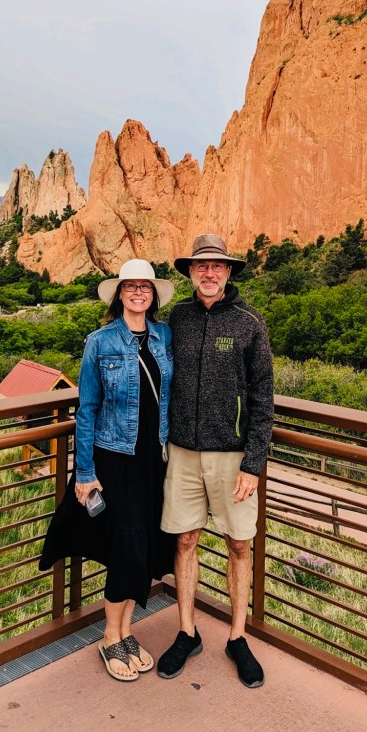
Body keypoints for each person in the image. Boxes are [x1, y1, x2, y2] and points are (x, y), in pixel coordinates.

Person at [39, 258, 176, 682]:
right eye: (130, 286)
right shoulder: (99, 342)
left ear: (153, 296)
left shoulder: (164, 336)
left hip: (154, 458)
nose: (138, 293)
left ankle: (127, 631)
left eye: (145, 287)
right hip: (114, 458)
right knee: (127, 546)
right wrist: (84, 472)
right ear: (119, 294)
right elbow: (87, 409)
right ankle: (109, 637)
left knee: (144, 543)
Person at [158, 234, 274, 688]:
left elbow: (263, 397)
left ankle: (237, 637)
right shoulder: (178, 318)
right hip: (183, 452)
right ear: (190, 272)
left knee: (240, 544)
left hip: (233, 456)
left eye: (217, 266)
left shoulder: (250, 323)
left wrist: (254, 463)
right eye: (201, 266)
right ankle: (187, 632)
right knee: (185, 539)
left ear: (228, 272)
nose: (209, 273)